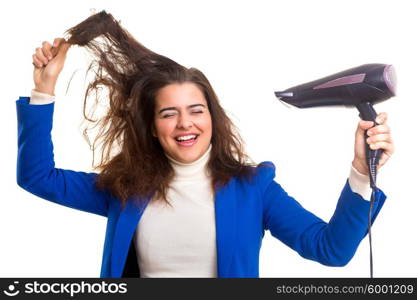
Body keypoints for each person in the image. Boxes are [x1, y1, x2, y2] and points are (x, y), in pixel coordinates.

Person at [16, 11, 394, 278]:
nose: (185, 123)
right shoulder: (125, 189)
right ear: (151, 126)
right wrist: (43, 88)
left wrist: (362, 172)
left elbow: (331, 250)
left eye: (196, 110)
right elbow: (37, 177)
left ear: (212, 119)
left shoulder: (253, 187)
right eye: (169, 114)